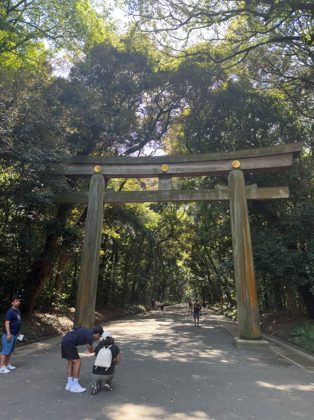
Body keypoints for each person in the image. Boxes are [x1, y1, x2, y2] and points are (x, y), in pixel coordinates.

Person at [61, 325, 104, 393]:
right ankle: (75, 385)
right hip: (70, 342)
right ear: (97, 334)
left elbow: (77, 328)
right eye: (100, 336)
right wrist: (96, 351)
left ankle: (69, 384)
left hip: (65, 340)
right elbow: (90, 350)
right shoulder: (90, 337)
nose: (99, 338)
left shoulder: (88, 331)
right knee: (78, 362)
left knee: (70, 362)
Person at [91, 331, 121, 395]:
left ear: (103, 339)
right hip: (108, 374)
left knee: (97, 366)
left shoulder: (98, 346)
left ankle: (96, 384)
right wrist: (112, 364)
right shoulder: (115, 347)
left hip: (95, 373)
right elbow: (118, 360)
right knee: (113, 366)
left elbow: (95, 356)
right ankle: (107, 384)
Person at [0, 294, 22, 374]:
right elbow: (7, 322)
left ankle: (6, 364)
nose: (18, 302)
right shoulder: (10, 312)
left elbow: (17, 322)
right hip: (9, 335)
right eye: (16, 301)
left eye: (18, 301)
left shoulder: (17, 311)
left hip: (14, 334)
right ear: (12, 303)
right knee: (5, 351)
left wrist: (18, 332)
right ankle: (1, 367)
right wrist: (8, 334)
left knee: (9, 351)